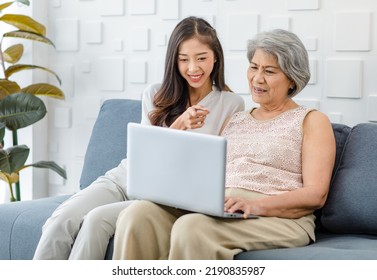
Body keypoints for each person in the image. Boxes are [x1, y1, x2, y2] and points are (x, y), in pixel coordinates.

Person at [112, 29, 336, 260]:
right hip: (223, 208)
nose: (257, 78)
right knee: (138, 214)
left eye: (269, 71)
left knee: (192, 228)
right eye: (253, 67)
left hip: (278, 217)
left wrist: (254, 205)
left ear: (292, 77)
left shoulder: (311, 120)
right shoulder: (236, 119)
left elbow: (315, 195)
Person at [33, 16, 245, 260]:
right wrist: (178, 125)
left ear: (216, 56)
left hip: (163, 196)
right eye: (183, 59)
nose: (193, 68)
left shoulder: (231, 104)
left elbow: (218, 168)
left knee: (94, 222)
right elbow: (146, 156)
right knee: (61, 219)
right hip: (125, 178)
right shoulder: (155, 94)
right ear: (173, 60)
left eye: (201, 58)